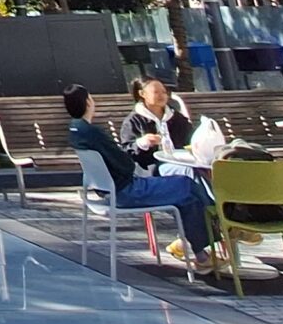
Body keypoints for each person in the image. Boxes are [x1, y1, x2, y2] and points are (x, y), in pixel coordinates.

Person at [64, 84, 219, 270]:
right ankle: (212, 236)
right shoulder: (93, 133)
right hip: (127, 190)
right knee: (188, 185)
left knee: (188, 195)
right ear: (88, 102)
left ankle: (201, 250)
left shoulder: (75, 130)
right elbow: (126, 163)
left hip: (108, 190)